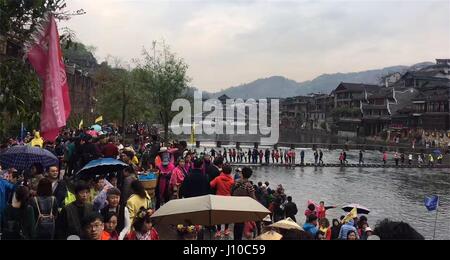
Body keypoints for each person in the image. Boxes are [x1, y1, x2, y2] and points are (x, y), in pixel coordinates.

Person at [210, 164, 235, 238]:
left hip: (218, 199)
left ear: (222, 170)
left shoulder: (218, 178)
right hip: (228, 199)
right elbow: (232, 190)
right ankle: (226, 230)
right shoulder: (232, 181)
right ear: (230, 172)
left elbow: (211, 184)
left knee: (218, 215)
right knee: (227, 215)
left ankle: (218, 231)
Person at [231, 167, 256, 240]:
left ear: (242, 173)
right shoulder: (249, 186)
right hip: (243, 208)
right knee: (241, 225)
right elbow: (253, 198)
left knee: (236, 225)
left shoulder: (236, 182)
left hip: (235, 205)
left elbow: (231, 191)